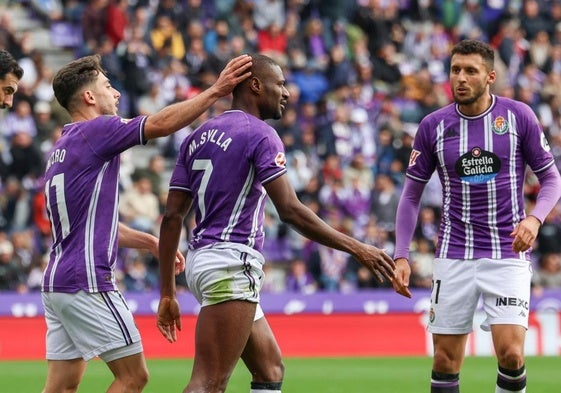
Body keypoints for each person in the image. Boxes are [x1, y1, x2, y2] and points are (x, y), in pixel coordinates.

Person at [156, 54, 396, 393]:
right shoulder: (261, 134)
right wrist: (357, 248)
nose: (287, 92)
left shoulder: (197, 136)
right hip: (231, 262)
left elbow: (171, 218)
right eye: (280, 84)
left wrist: (167, 291)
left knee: (269, 369)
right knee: (207, 383)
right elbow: (290, 210)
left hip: (204, 260)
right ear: (255, 85)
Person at [41, 53, 252, 393]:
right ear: (89, 97)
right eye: (108, 86)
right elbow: (159, 124)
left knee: (61, 387)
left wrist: (149, 242)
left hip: (57, 285)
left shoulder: (62, 146)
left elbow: (91, 224)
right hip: (88, 280)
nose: (117, 94)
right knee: (133, 377)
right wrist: (216, 91)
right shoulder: (97, 130)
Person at [391, 39, 561, 393]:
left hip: (506, 254)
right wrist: (401, 254)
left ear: (490, 77)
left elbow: (551, 179)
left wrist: (534, 219)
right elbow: (411, 195)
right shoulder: (432, 127)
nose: (461, 78)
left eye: (471, 71)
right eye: (455, 70)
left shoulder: (519, 117)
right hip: (454, 255)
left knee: (512, 355)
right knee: (444, 361)